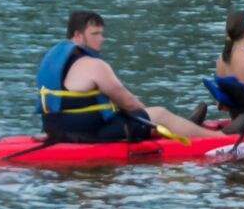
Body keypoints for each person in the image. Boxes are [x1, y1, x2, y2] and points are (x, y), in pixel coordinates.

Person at [35, 11, 203, 145]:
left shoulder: (52, 59)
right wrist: (147, 116)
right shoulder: (94, 65)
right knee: (159, 114)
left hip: (56, 130)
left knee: (140, 116)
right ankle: (217, 136)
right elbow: (129, 103)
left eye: (102, 33)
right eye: (95, 34)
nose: (102, 39)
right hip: (89, 134)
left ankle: (184, 126)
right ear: (78, 36)